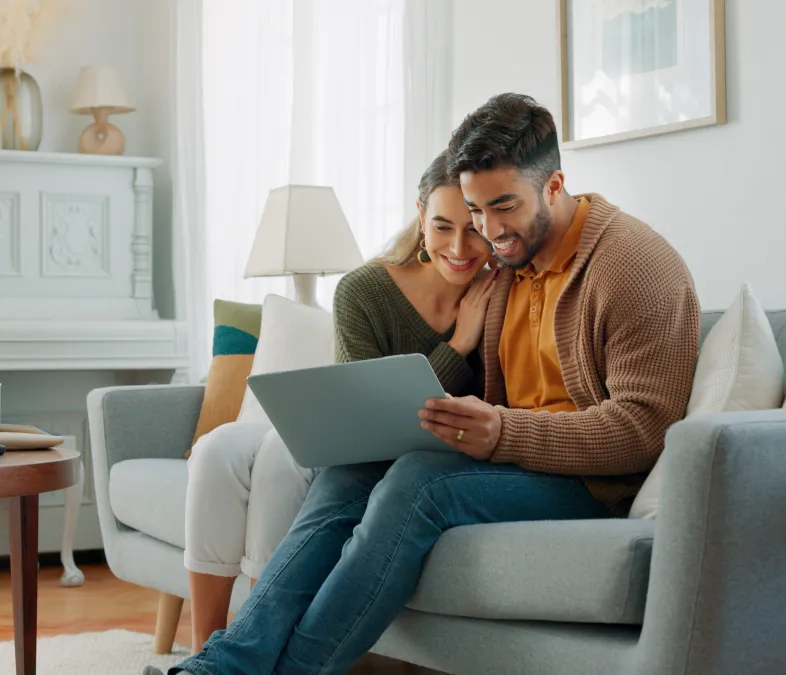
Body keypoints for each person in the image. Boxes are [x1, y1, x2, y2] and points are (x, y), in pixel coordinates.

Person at [147, 93, 700, 675]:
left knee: (420, 482)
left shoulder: (633, 266)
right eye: (474, 210)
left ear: (555, 184)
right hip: (515, 460)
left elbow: (645, 430)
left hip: (592, 481)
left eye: (502, 207)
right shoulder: (509, 262)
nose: (488, 232)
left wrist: (502, 432)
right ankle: (221, 665)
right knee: (350, 470)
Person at [170, 149, 495, 657]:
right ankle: (206, 651)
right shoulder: (365, 290)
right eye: (442, 226)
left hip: (427, 460)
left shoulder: (500, 295)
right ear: (419, 218)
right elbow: (363, 420)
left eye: (473, 228)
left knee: (282, 459)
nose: (459, 246)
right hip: (360, 449)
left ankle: (247, 655)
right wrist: (457, 348)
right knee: (220, 451)